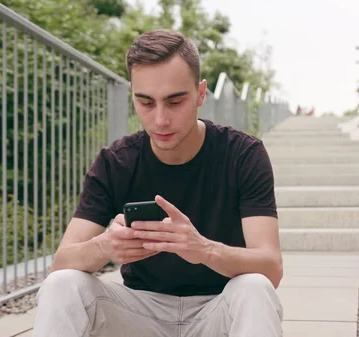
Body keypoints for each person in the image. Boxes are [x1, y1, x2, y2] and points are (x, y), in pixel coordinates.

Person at [33, 29, 284, 337]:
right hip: (139, 313)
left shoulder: (243, 154)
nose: (160, 119)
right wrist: (106, 245)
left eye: (175, 101)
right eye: (146, 102)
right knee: (62, 284)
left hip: (218, 311)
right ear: (132, 96)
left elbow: (271, 267)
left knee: (255, 286)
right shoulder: (116, 161)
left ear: (201, 93)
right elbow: (62, 261)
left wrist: (203, 249)